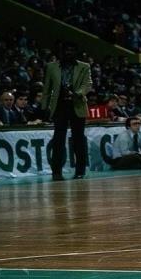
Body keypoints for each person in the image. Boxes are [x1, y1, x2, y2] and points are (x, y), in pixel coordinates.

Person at [41, 41, 92, 181]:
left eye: (72, 50)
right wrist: (44, 108)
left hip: (77, 105)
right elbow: (46, 89)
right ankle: (56, 172)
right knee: (58, 140)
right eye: (66, 50)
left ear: (76, 52)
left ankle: (80, 171)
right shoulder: (51, 67)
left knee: (78, 139)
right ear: (61, 52)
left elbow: (88, 84)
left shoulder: (84, 66)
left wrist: (77, 93)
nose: (69, 52)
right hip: (59, 106)